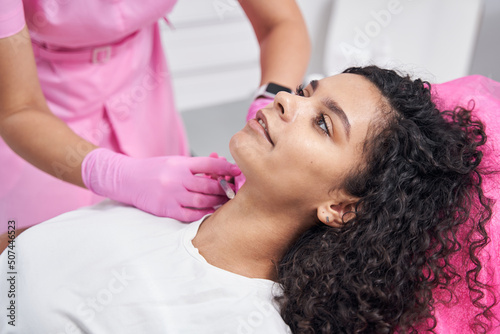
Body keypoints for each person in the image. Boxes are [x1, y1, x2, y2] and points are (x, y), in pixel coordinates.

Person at [1, 66, 498, 333]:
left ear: (342, 207)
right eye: (306, 90)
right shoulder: (159, 203)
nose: (286, 100)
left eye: (323, 123)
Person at [0, 0, 311, 235]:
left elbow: (280, 23)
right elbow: (17, 109)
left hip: (143, 93)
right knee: (35, 260)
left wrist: (269, 98)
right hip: (37, 114)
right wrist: (116, 174)